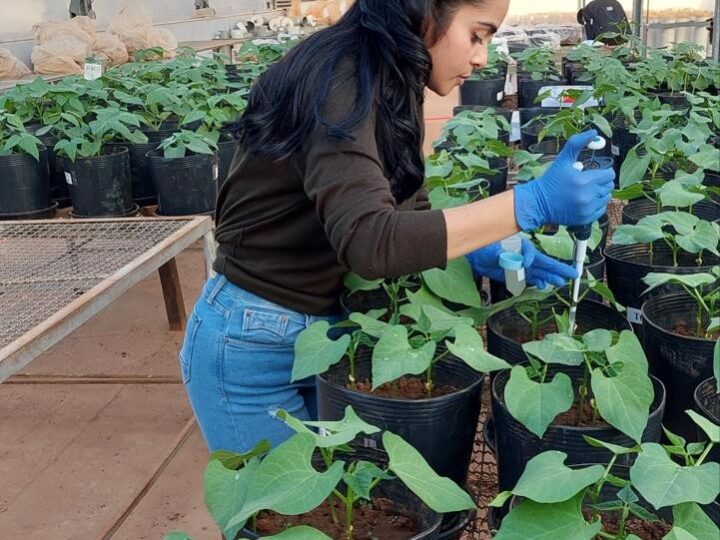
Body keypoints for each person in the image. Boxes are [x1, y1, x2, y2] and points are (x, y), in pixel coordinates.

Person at [179, 0, 615, 454]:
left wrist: (477, 246)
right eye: (477, 34)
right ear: (426, 12)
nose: (483, 57)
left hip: (325, 334)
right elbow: (371, 243)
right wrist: (531, 203)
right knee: (282, 514)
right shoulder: (340, 79)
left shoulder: (389, 74)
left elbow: (404, 208)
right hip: (256, 341)